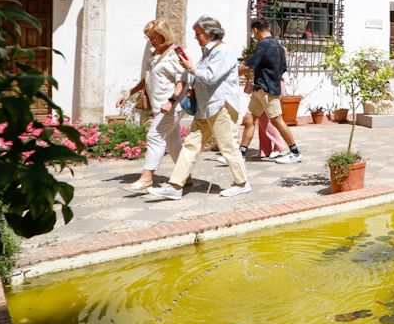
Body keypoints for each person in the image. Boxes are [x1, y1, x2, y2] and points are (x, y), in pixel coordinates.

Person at [148, 16, 252, 200]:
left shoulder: (223, 51)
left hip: (221, 106)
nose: (196, 38)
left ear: (210, 33)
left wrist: (191, 68)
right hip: (205, 107)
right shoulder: (207, 53)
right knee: (190, 146)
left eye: (198, 34)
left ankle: (242, 183)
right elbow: (198, 77)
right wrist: (188, 70)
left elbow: (210, 77)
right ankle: (175, 185)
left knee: (228, 146)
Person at [116, 19, 186, 192]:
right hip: (159, 105)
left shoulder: (175, 54)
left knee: (155, 136)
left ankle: (147, 178)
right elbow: (146, 80)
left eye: (154, 38)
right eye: (149, 38)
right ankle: (185, 175)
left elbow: (182, 81)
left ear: (164, 36)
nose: (151, 41)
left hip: (171, 106)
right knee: (173, 141)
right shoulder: (155, 55)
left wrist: (171, 102)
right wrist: (129, 93)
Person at [238, 18, 303, 164]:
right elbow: (283, 68)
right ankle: (240, 153)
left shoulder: (263, 45)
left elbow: (249, 65)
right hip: (261, 89)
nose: (253, 36)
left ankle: (295, 152)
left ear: (255, 30)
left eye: (253, 33)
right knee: (249, 119)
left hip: (267, 90)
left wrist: (230, 73)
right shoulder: (278, 46)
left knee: (277, 121)